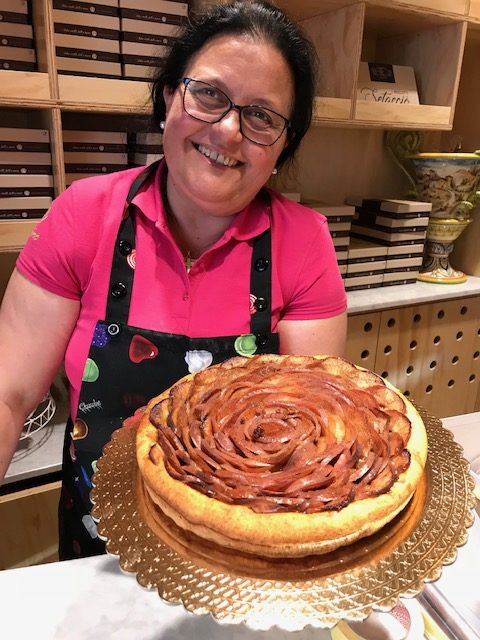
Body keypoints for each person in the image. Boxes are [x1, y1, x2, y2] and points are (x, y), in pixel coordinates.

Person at [0, 0, 347, 559]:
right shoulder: (83, 214)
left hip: (244, 552)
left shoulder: (304, 242)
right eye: (209, 94)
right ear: (169, 97)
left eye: (262, 117)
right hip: (101, 548)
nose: (229, 130)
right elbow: (8, 395)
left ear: (284, 147)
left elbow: (309, 429)